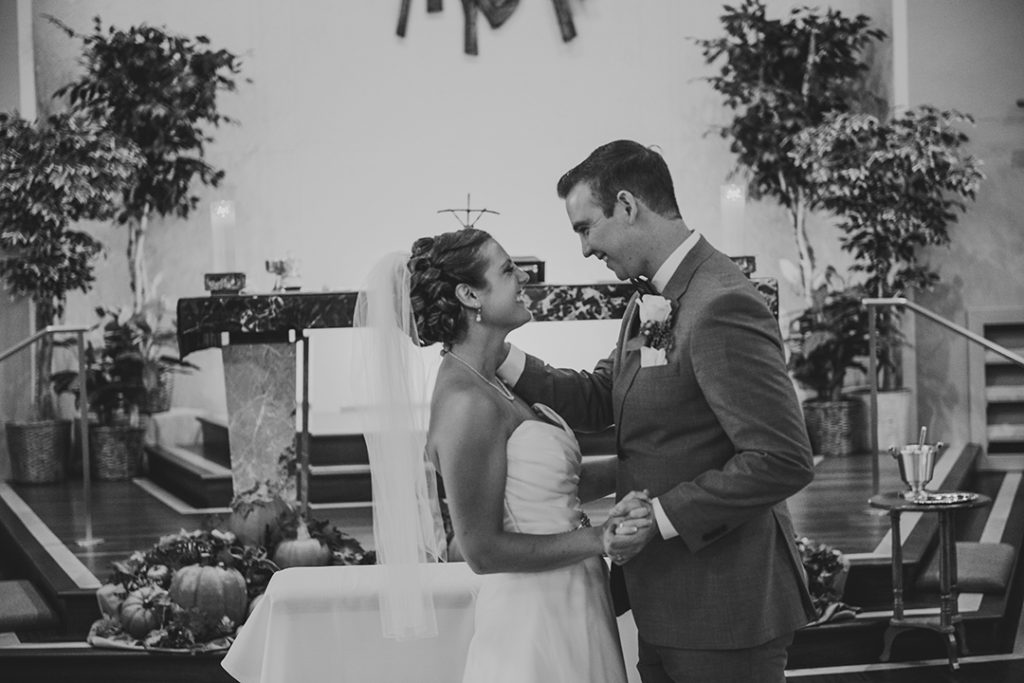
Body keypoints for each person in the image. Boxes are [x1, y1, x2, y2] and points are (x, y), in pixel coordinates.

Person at [496, 140, 817, 683]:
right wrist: (494, 354)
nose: (584, 250)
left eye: (585, 227)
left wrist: (659, 519)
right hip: (663, 600)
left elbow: (781, 458)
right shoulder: (652, 296)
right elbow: (605, 395)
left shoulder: (721, 302)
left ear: (627, 206)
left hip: (724, 609)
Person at [365, 227, 652, 683]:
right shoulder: (465, 402)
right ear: (469, 295)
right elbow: (482, 549)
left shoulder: (493, 380)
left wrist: (661, 465)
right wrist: (599, 539)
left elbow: (558, 484)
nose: (523, 277)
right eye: (506, 269)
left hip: (575, 597)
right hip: (532, 619)